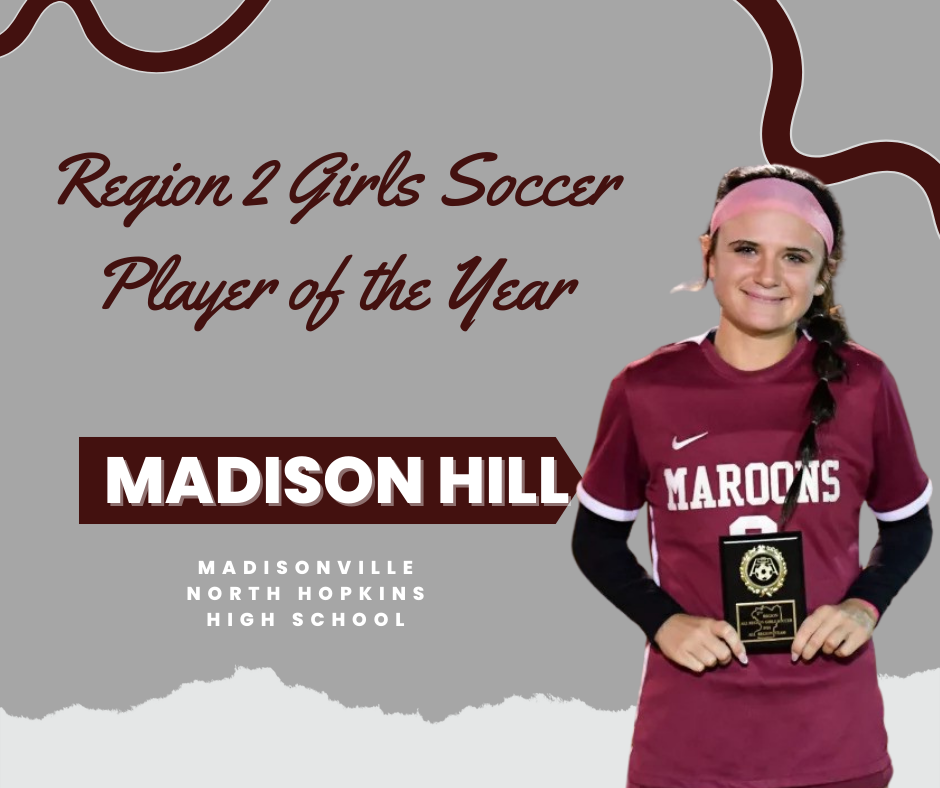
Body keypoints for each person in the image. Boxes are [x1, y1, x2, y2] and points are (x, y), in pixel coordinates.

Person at [572, 164, 932, 788]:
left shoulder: (865, 384)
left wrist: (864, 606)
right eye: (746, 249)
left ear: (823, 276)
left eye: (795, 257)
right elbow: (595, 539)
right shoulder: (645, 389)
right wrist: (662, 619)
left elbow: (909, 527)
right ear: (708, 255)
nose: (768, 275)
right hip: (688, 752)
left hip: (835, 749)